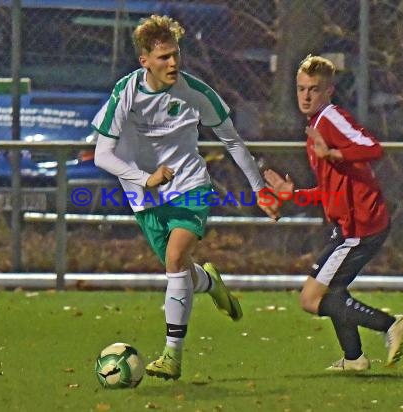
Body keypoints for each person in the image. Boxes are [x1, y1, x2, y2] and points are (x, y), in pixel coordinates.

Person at [92, 14, 279, 381]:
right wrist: (145, 179)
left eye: (175, 54)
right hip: (145, 198)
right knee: (178, 270)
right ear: (144, 60)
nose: (173, 63)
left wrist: (259, 190)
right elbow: (102, 155)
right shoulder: (125, 93)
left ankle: (172, 355)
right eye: (163, 57)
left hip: (191, 187)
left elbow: (232, 140)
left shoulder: (195, 92)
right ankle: (210, 283)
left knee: (176, 258)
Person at [264, 55, 403, 371]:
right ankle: (354, 358)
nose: (306, 96)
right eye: (301, 89)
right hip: (352, 224)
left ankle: (388, 324)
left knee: (310, 298)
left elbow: (373, 148)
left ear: (329, 91)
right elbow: (329, 190)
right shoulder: (316, 125)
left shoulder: (331, 118)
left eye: (314, 89)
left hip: (360, 227)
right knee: (334, 292)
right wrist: (294, 197)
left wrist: (335, 153)